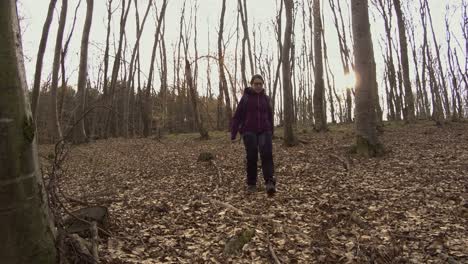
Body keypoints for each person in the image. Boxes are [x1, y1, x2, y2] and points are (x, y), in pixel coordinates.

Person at [231, 74, 276, 195]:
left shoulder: (266, 99)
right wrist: (233, 133)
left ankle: (269, 183)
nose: (258, 86)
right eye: (256, 84)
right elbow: (237, 116)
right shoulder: (246, 98)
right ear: (252, 84)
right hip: (249, 131)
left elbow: (270, 116)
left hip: (265, 131)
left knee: (267, 155)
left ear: (263, 85)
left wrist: (271, 131)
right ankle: (251, 184)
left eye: (260, 84)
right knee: (252, 157)